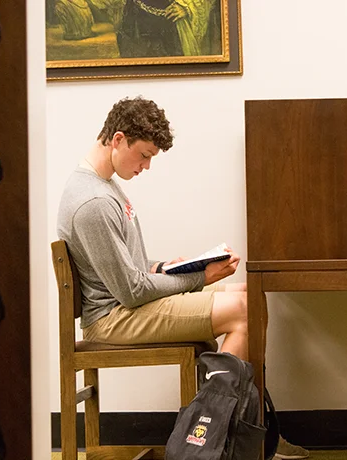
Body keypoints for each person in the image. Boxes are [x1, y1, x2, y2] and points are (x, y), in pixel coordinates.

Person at [56, 96, 310, 460]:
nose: (145, 166)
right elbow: (129, 291)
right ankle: (219, 445)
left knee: (250, 294)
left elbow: (131, 268)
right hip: (114, 319)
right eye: (143, 155)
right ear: (118, 139)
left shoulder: (104, 186)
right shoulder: (92, 201)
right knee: (243, 310)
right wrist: (200, 278)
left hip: (125, 306)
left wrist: (168, 268)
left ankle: (248, 438)